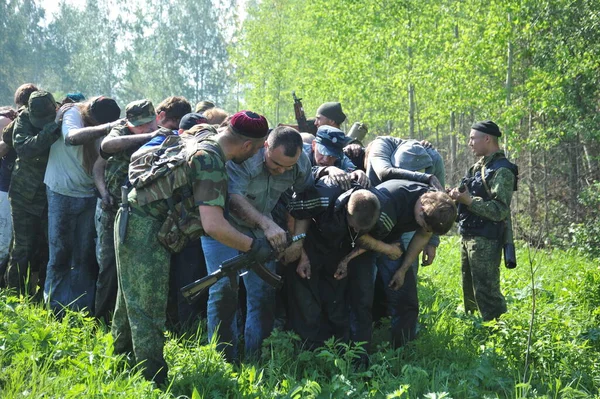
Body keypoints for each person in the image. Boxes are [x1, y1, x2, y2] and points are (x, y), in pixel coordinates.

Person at [111, 110, 273, 385]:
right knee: (147, 307)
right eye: (258, 149)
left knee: (129, 302)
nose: (257, 155)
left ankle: (119, 364)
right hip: (144, 228)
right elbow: (213, 225)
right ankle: (154, 382)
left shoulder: (204, 133)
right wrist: (252, 246)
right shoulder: (210, 161)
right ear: (247, 145)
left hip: (133, 217)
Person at [201, 125, 313, 361]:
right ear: (265, 148)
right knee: (223, 292)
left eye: (288, 167)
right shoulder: (245, 160)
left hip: (264, 230)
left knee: (263, 294)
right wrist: (266, 224)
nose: (282, 171)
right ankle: (222, 360)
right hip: (224, 228)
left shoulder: (301, 163)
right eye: (275, 164)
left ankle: (256, 359)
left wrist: (299, 240)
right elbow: (234, 200)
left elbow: (305, 201)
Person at [334, 180, 456, 352]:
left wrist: (403, 269)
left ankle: (402, 353)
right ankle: (358, 357)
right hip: (364, 241)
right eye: (423, 224)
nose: (424, 228)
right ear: (421, 210)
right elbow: (358, 235)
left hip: (391, 239)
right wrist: (386, 249)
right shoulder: (388, 203)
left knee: (406, 298)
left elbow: (423, 235)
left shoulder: (434, 203)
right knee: (362, 299)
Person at [44, 96, 121, 315]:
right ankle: (54, 309)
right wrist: (106, 127)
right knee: (60, 254)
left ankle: (80, 309)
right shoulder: (73, 113)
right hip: (62, 192)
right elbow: (71, 138)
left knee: (84, 256)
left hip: (89, 194)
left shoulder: (104, 123)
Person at [286, 178, 381, 348]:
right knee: (306, 301)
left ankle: (336, 348)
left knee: (336, 301)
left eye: (362, 229)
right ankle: (307, 349)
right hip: (311, 244)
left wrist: (345, 261)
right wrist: (302, 255)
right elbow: (294, 217)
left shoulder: (376, 204)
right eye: (355, 227)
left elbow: (374, 238)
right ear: (346, 209)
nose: (358, 231)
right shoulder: (323, 195)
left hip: (338, 250)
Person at [93, 99, 159, 323]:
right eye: (139, 125)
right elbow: (104, 152)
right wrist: (103, 192)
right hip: (114, 209)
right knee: (109, 268)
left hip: (146, 214)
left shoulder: (164, 135)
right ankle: (101, 318)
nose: (145, 128)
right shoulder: (120, 131)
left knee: (138, 272)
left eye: (149, 123)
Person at [449, 120, 518, 321]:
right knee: (468, 286)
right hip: (468, 235)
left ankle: (497, 331)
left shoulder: (502, 170)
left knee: (486, 289)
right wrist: (455, 196)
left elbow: (500, 211)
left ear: (487, 139)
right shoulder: (476, 168)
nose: (470, 143)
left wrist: (469, 201)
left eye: (473, 138)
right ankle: (474, 325)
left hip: (486, 239)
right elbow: (464, 195)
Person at [6, 91, 61, 296]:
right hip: (24, 193)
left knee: (49, 247)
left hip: (52, 194)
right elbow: (24, 148)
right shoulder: (24, 118)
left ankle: (44, 294)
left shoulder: (63, 114)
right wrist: (52, 127)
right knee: (23, 248)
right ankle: (14, 295)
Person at [304, 125, 369, 189]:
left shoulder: (340, 158)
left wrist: (356, 173)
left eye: (332, 155)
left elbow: (349, 168)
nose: (326, 159)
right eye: (322, 152)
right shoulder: (300, 154)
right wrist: (327, 169)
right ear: (314, 145)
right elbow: (301, 174)